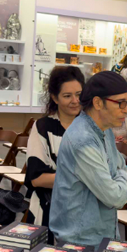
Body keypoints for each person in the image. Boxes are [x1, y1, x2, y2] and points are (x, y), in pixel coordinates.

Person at [49, 70, 127, 246]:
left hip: (100, 236)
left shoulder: (105, 130)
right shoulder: (82, 141)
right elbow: (114, 197)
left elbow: (120, 167)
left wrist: (119, 175)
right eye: (121, 103)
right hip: (81, 243)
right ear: (98, 103)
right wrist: (124, 178)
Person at [24, 66, 84, 240]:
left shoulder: (91, 128)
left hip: (85, 213)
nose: (75, 101)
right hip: (48, 210)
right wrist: (84, 178)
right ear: (54, 98)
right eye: (67, 96)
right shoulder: (43, 127)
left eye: (79, 94)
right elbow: (37, 178)